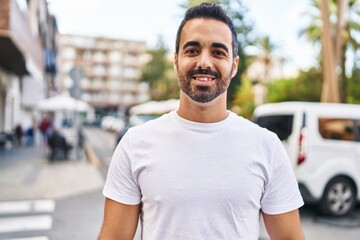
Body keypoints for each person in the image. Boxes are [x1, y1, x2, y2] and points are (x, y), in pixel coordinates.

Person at [98, 3, 304, 239]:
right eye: (192, 50)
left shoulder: (267, 146)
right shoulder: (135, 144)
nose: (204, 62)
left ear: (234, 65)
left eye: (218, 52)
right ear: (176, 60)